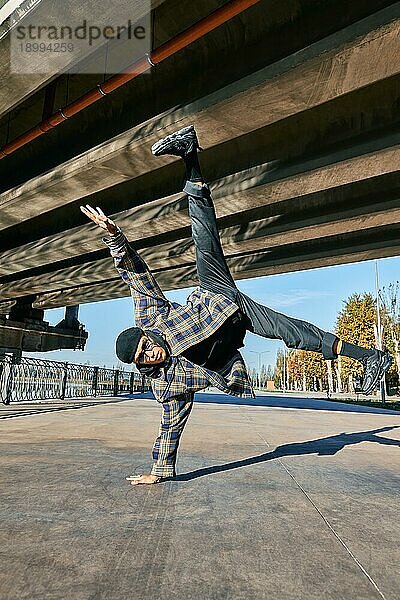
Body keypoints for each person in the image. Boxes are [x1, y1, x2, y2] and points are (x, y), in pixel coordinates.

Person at [80, 125, 392, 486]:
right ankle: (373, 357)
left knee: (204, 238)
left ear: (147, 337)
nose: (150, 355)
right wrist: (159, 471)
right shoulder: (165, 384)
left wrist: (115, 237)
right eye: (143, 360)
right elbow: (170, 423)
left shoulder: (151, 317)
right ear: (141, 366)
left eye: (145, 347)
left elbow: (135, 275)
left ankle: (189, 156)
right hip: (237, 326)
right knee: (292, 333)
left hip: (217, 295)